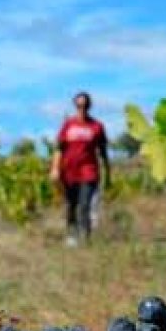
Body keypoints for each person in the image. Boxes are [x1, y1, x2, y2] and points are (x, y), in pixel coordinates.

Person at [50, 91, 109, 246]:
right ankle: (72, 234)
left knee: (84, 205)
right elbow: (59, 148)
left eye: (84, 105)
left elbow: (103, 152)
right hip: (68, 172)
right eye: (79, 105)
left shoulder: (97, 126)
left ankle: (85, 237)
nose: (82, 108)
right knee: (71, 205)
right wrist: (55, 168)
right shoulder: (68, 125)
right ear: (75, 106)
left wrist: (108, 173)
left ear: (89, 106)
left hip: (88, 172)